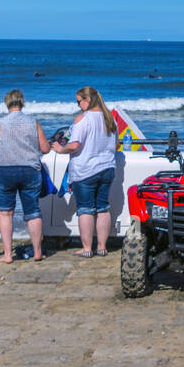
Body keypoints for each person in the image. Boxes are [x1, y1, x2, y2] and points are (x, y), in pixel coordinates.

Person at [51, 87, 118, 257]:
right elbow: (115, 144)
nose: (78, 105)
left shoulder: (83, 119)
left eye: (79, 101)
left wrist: (60, 148)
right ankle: (102, 247)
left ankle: (87, 249)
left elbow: (75, 145)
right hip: (107, 167)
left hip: (86, 170)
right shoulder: (110, 119)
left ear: (87, 100)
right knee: (103, 208)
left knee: (85, 209)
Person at [0, 89, 50, 263]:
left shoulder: (0, 123)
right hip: (30, 170)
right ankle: (37, 252)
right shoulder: (33, 122)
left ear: (7, 104)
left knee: (6, 212)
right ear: (22, 103)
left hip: (5, 170)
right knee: (33, 211)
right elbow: (45, 149)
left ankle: (7, 255)